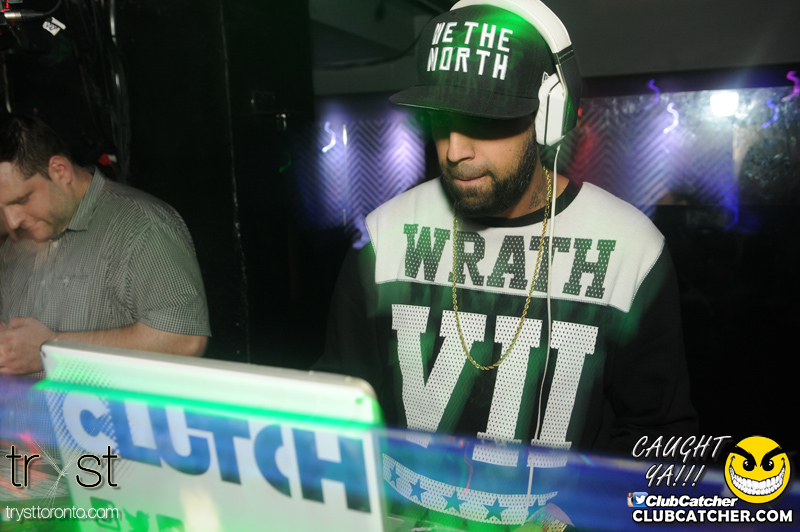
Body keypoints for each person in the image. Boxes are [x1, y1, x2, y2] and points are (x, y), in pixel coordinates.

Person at [316, 0, 697, 529]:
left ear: (549, 117)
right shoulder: (384, 236)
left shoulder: (632, 250)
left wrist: (575, 516)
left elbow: (660, 438)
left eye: (483, 120)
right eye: (442, 120)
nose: (455, 150)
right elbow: (339, 406)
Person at [0, 113, 210, 375]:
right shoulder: (17, 236)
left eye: (22, 200)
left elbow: (185, 339)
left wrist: (52, 350)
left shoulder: (142, 225)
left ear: (60, 171)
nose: (12, 220)